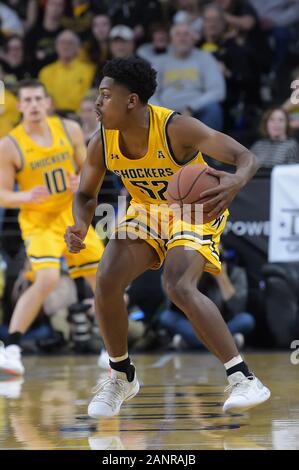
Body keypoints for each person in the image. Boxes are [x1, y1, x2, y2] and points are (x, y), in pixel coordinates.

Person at [65, 56, 271, 418]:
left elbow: (246, 157)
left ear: (131, 100)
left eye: (105, 95)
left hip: (193, 209)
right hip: (146, 209)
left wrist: (236, 182)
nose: (98, 103)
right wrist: (82, 223)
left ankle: (244, 378)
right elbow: (85, 194)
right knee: (107, 280)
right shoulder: (102, 141)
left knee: (177, 285)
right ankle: (121, 375)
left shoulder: (176, 128)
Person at [0, 79, 104, 375]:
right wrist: (25, 195)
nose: (33, 105)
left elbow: (89, 169)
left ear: (47, 103)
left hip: (73, 217)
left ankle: (112, 350)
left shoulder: (68, 129)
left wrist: (80, 180)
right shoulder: (9, 145)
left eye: (38, 99)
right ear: (19, 106)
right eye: (27, 101)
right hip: (38, 222)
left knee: (104, 282)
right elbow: (3, 194)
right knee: (45, 280)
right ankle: (12, 348)